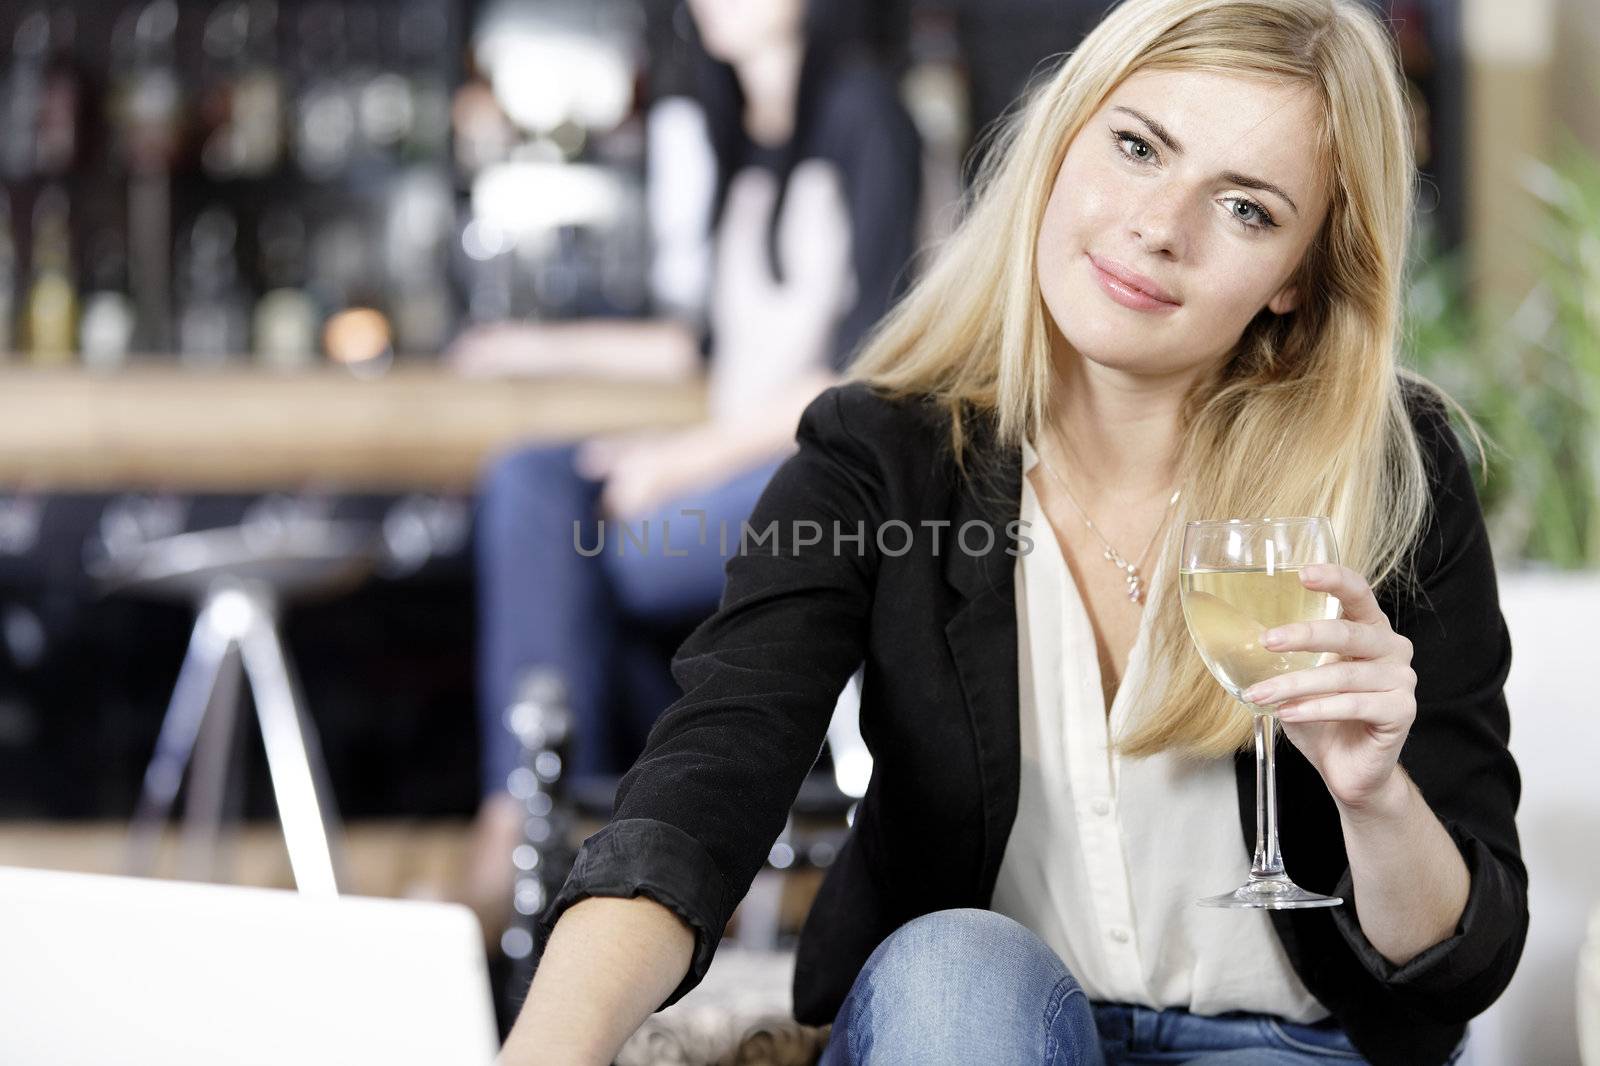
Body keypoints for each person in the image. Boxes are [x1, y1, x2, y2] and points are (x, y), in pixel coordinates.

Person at [498, 0, 1525, 1063]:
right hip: (972, 1031)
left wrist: (1375, 797)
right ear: (1062, 135)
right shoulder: (880, 457)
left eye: (1247, 210)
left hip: (1290, 1046)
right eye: (1136, 148)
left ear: (1297, 280)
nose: (1157, 227)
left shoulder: (1386, 466)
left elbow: (1464, 959)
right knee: (956, 970)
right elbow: (704, 784)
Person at [452, 0, 922, 938]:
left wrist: (683, 459)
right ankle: (535, 807)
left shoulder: (871, 113)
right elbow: (697, 346)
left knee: (593, 551)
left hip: (823, 471)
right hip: (733, 456)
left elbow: (873, 365)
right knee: (532, 482)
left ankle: (529, 825)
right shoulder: (741, 129)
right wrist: (531, 348)